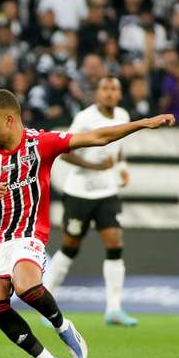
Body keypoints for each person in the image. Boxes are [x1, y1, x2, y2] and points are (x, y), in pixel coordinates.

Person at [0, 89, 174, 358]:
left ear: (9, 120)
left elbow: (97, 137)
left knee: (25, 286)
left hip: (28, 232)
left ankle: (62, 326)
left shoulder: (40, 143)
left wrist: (142, 123)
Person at [45, 77, 138, 326]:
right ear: (97, 94)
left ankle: (114, 309)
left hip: (107, 193)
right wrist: (94, 166)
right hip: (79, 193)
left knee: (115, 243)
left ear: (119, 94)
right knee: (70, 247)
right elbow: (64, 152)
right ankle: (47, 303)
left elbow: (119, 149)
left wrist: (122, 167)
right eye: (105, 89)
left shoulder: (123, 114)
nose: (109, 93)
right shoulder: (85, 119)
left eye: (114, 89)